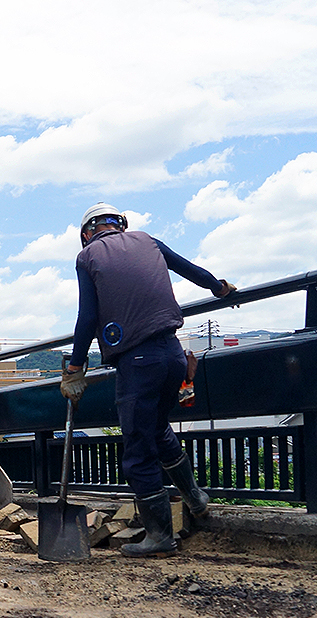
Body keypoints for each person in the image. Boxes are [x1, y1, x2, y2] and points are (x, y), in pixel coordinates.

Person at [61, 202, 236, 557]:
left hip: (138, 362)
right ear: (121, 226)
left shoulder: (87, 257)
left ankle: (160, 536)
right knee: (157, 429)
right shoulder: (148, 240)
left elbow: (88, 317)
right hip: (173, 354)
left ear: (86, 234)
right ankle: (195, 498)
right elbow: (191, 271)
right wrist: (219, 287)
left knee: (138, 448)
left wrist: (75, 368)